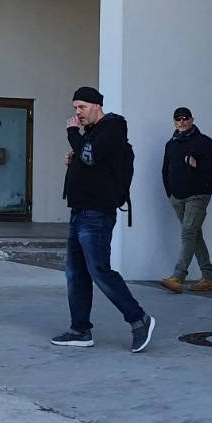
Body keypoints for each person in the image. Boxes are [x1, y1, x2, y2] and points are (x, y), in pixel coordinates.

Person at [52, 86, 156, 353]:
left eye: (82, 107)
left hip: (96, 214)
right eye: (75, 108)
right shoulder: (92, 134)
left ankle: (139, 319)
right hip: (80, 212)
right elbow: (88, 160)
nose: (77, 113)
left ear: (97, 106)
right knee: (75, 273)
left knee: (99, 270)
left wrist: (73, 135)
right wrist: (72, 160)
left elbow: (90, 156)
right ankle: (80, 329)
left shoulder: (113, 127)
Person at [159, 107, 212, 294]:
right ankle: (208, 277)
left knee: (188, 233)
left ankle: (178, 276)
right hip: (177, 197)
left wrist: (198, 164)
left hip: (198, 195)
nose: (181, 122)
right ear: (174, 122)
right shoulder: (171, 144)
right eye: (177, 119)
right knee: (194, 234)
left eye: (185, 118)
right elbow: (165, 169)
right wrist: (170, 193)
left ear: (192, 120)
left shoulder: (203, 142)